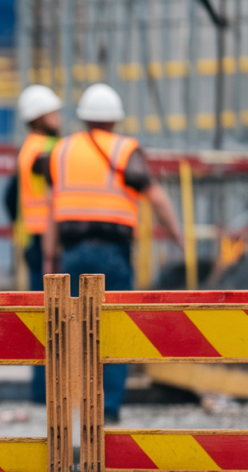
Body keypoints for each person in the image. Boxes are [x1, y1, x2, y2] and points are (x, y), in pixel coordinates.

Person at [39, 83, 183, 422]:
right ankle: (109, 411)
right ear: (115, 121)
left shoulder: (62, 151)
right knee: (112, 331)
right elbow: (157, 197)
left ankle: (70, 409)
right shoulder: (125, 150)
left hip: (72, 252)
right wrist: (177, 233)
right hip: (113, 255)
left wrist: (49, 256)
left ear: (84, 118)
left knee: (68, 332)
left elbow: (50, 210)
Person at [3, 84, 62, 404]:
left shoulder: (32, 146)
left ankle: (45, 392)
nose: (58, 116)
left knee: (47, 319)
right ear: (38, 117)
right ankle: (45, 393)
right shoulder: (43, 149)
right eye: (52, 112)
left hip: (38, 239)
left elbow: (9, 197)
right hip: (44, 241)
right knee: (51, 321)